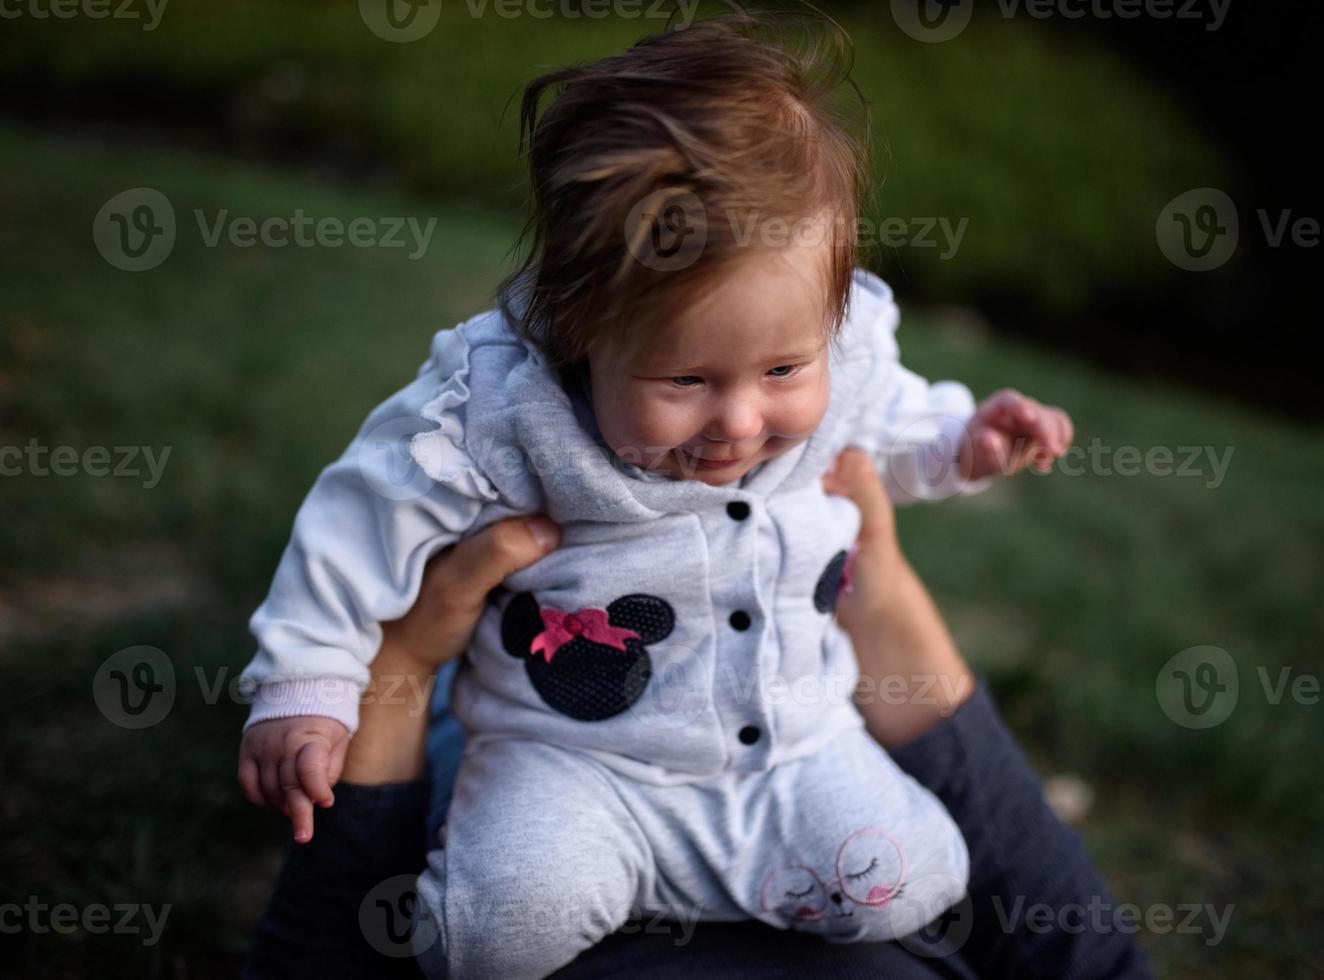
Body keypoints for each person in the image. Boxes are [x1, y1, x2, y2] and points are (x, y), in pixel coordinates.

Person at [235, 13, 1079, 977]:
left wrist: (965, 442)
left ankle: (755, 877)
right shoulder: (501, 411)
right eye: (685, 382)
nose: (739, 421)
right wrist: (306, 681)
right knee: (495, 933)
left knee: (916, 878)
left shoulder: (840, 363)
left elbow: (893, 428)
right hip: (571, 765)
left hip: (791, 753)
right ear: (577, 326)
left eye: (782, 369)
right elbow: (357, 522)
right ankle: (574, 890)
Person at [244, 448, 1151, 978]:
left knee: (484, 624)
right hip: (698, 756)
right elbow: (1086, 960)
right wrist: (877, 595)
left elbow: (321, 959)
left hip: (532, 751)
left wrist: (398, 662)